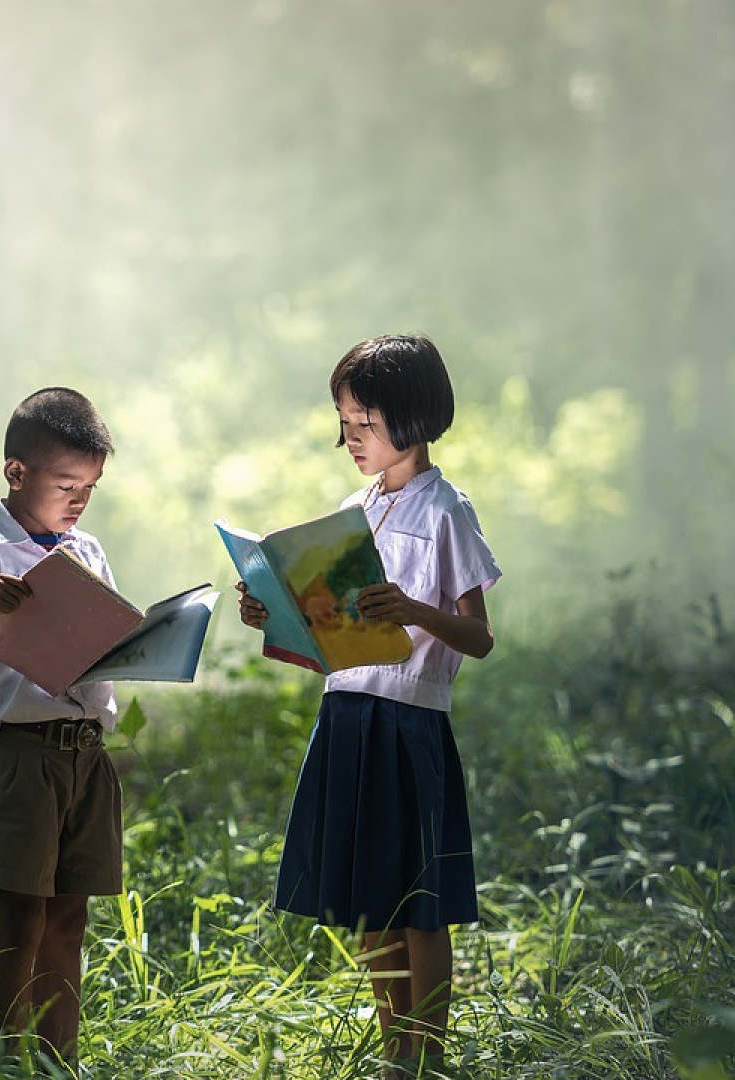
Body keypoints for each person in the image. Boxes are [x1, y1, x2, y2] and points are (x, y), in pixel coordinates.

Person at [237, 335, 500, 1080]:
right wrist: (274, 610)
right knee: (371, 900)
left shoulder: (448, 509)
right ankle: (396, 1054)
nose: (347, 439)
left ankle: (433, 1059)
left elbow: (478, 637)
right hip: (346, 713)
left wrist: (415, 607)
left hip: (411, 719)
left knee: (422, 899)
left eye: (362, 423)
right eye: (343, 423)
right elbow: (325, 629)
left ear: (411, 418)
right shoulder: (354, 512)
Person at [0, 387, 123, 1076]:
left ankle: (58, 1059)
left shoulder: (87, 551)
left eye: (90, 488)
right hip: (20, 757)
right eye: (66, 484)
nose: (78, 500)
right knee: (22, 922)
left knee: (70, 919)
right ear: (16, 473)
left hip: (85, 757)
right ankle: (10, 1062)